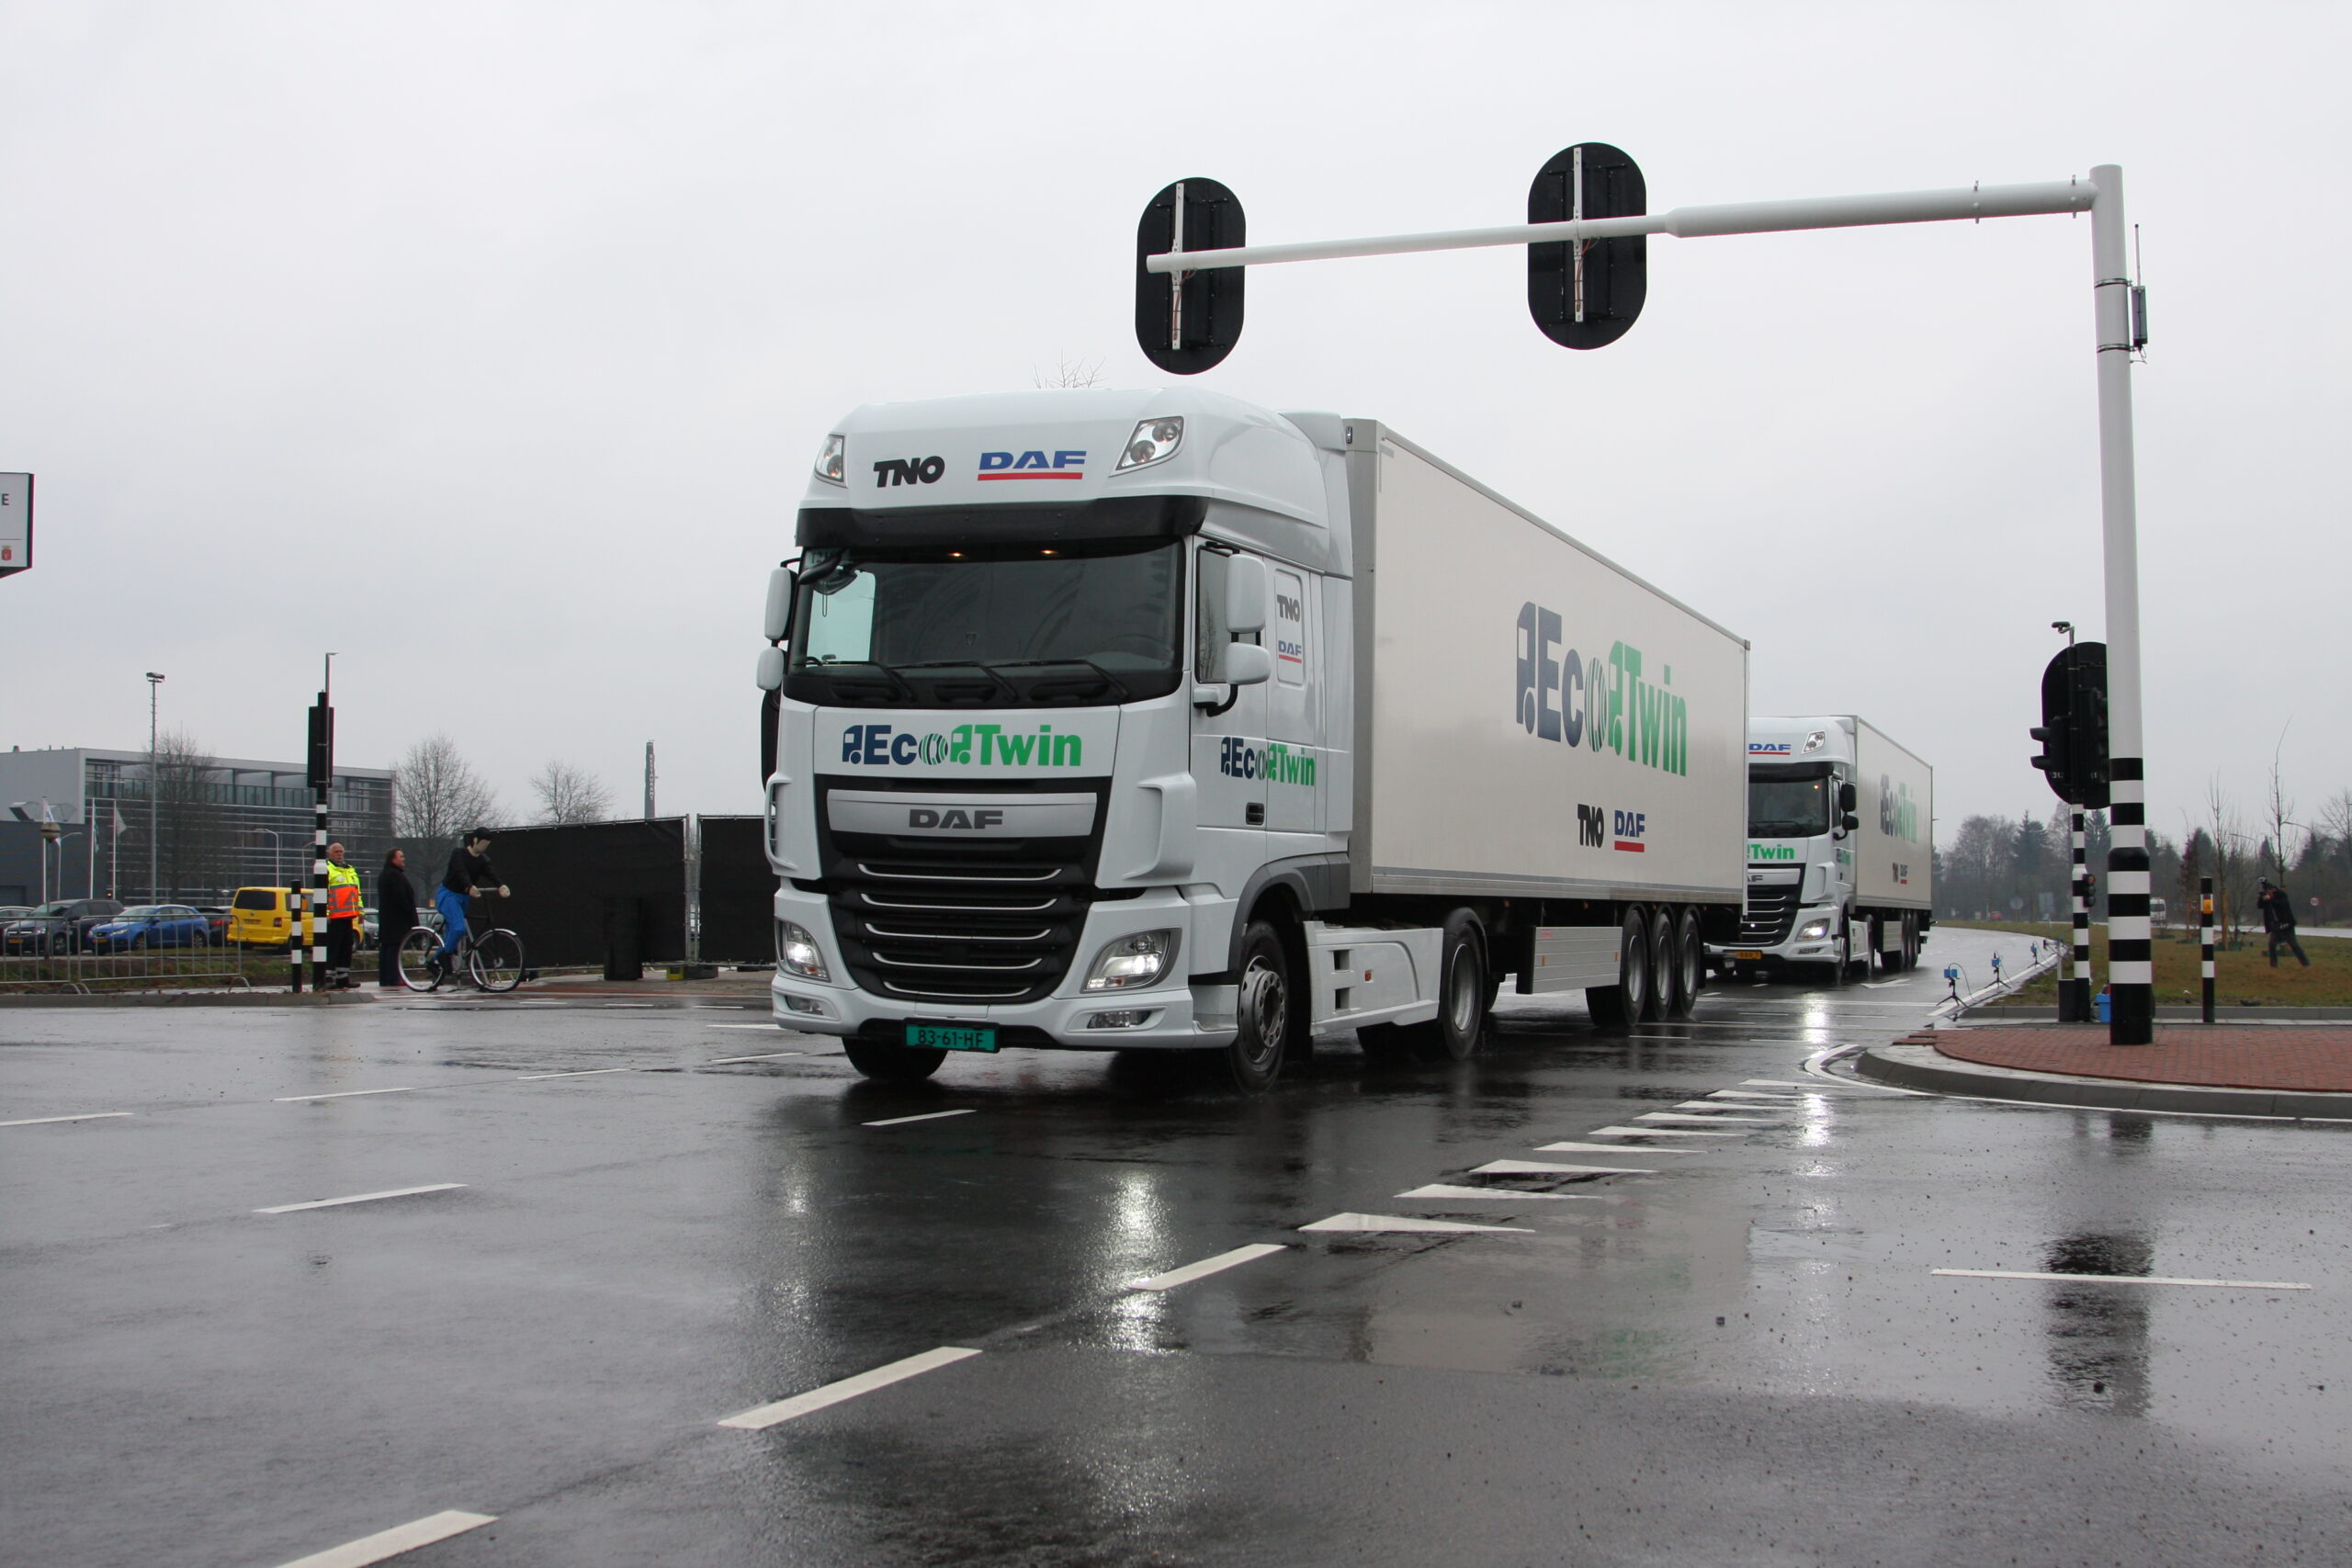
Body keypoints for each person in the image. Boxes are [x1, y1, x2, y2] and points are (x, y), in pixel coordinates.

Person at [436, 829, 510, 983]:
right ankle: (444, 956)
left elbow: (491, 873)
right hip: (449, 895)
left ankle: (437, 959)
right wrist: (469, 886)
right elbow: (460, 871)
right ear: (475, 841)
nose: (484, 847)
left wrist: (500, 885)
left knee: (454, 935)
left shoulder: (482, 860)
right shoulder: (458, 854)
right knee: (458, 928)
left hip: (464, 897)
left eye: (487, 845)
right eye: (483, 844)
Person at [323, 842, 364, 990]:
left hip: (348, 916)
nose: (339, 854)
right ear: (330, 854)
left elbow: (357, 892)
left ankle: (343, 978)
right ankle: (328, 978)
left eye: (341, 851)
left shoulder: (350, 870)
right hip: (334, 917)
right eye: (336, 852)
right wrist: (326, 913)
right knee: (333, 947)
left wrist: (360, 911)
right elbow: (323, 893)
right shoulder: (327, 869)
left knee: (346, 948)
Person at [377, 847, 417, 987]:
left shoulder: (385, 874)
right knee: (394, 947)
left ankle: (385, 978)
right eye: (401, 856)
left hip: (387, 918)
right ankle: (393, 978)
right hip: (396, 919)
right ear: (393, 859)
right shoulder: (395, 875)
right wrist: (408, 911)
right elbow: (400, 897)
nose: (404, 859)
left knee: (386, 947)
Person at [2258, 877, 2310, 968]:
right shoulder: (2269, 898)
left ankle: (2306, 964)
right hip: (2276, 925)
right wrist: (2262, 898)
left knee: (2294, 945)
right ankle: (2273, 965)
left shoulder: (2281, 895)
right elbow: (2260, 906)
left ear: (2273, 890)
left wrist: (2270, 899)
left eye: (2269, 892)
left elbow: (2280, 904)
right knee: (2271, 944)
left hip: (2287, 924)